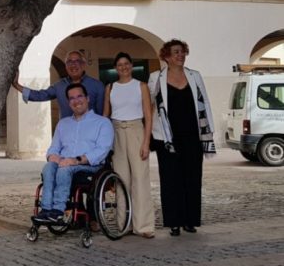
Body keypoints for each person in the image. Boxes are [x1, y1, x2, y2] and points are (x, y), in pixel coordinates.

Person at [148, 39, 215, 237]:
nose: (181, 55)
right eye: (176, 52)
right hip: (167, 138)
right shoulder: (156, 77)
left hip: (192, 136)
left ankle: (190, 220)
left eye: (183, 52)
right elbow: (150, 106)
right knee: (170, 181)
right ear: (166, 56)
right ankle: (174, 222)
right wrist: (149, 134)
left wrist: (208, 134)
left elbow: (205, 103)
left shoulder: (195, 76)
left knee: (192, 179)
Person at [34, 83, 114, 223]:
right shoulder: (63, 124)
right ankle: (46, 210)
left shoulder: (102, 123)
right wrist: (52, 156)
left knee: (64, 170)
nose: (76, 101)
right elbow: (54, 147)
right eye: (72, 98)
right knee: (49, 167)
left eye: (79, 96)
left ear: (87, 98)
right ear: (68, 102)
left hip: (90, 167)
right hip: (64, 164)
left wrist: (77, 160)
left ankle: (58, 210)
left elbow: (102, 150)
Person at [103, 52, 155, 239]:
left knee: (140, 178)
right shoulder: (110, 87)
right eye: (119, 64)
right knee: (121, 179)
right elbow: (105, 116)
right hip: (117, 131)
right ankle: (124, 224)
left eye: (126, 63)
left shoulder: (141, 86)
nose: (123, 67)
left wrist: (146, 142)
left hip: (136, 130)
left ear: (131, 65)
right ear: (115, 68)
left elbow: (148, 116)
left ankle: (144, 225)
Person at [12, 50, 105, 119]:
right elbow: (39, 96)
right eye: (69, 62)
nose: (73, 65)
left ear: (84, 64)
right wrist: (16, 85)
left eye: (77, 61)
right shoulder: (59, 86)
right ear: (66, 66)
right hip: (67, 133)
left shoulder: (97, 86)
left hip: (90, 134)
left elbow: (101, 115)